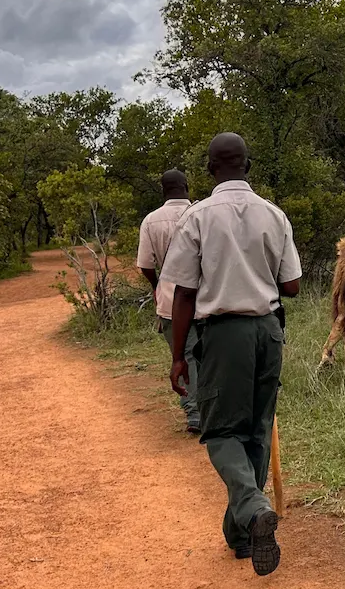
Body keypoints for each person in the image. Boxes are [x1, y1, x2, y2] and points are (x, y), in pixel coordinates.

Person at [159, 133, 301, 576]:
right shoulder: (274, 215)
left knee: (222, 433)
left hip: (223, 334)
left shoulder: (198, 217)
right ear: (248, 166)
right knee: (256, 432)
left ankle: (254, 507)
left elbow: (183, 292)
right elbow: (292, 285)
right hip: (268, 331)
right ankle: (242, 534)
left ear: (210, 168)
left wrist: (179, 355)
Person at [136, 169, 200, 434]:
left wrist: (157, 285)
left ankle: (194, 412)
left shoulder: (151, 221)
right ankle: (210, 408)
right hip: (204, 296)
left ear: (162, 191)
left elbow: (146, 264)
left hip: (170, 299)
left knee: (184, 355)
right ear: (186, 186)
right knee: (208, 354)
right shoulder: (201, 213)